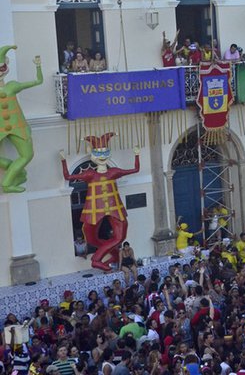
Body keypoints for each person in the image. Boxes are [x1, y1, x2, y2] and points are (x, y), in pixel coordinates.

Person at [60, 133, 140, 272]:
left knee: (121, 235)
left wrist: (137, 155)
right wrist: (63, 160)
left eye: (105, 152)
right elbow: (68, 176)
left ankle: (98, 259)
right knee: (91, 238)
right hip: (95, 209)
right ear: (92, 154)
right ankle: (109, 256)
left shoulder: (113, 172)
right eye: (97, 152)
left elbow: (136, 169)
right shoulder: (90, 174)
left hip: (114, 208)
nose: (102, 156)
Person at [0, 47, 43, 192]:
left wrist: (38, 66)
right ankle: (17, 173)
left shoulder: (12, 86)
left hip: (17, 126)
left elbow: (38, 81)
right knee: (25, 157)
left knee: (27, 155)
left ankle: (8, 182)